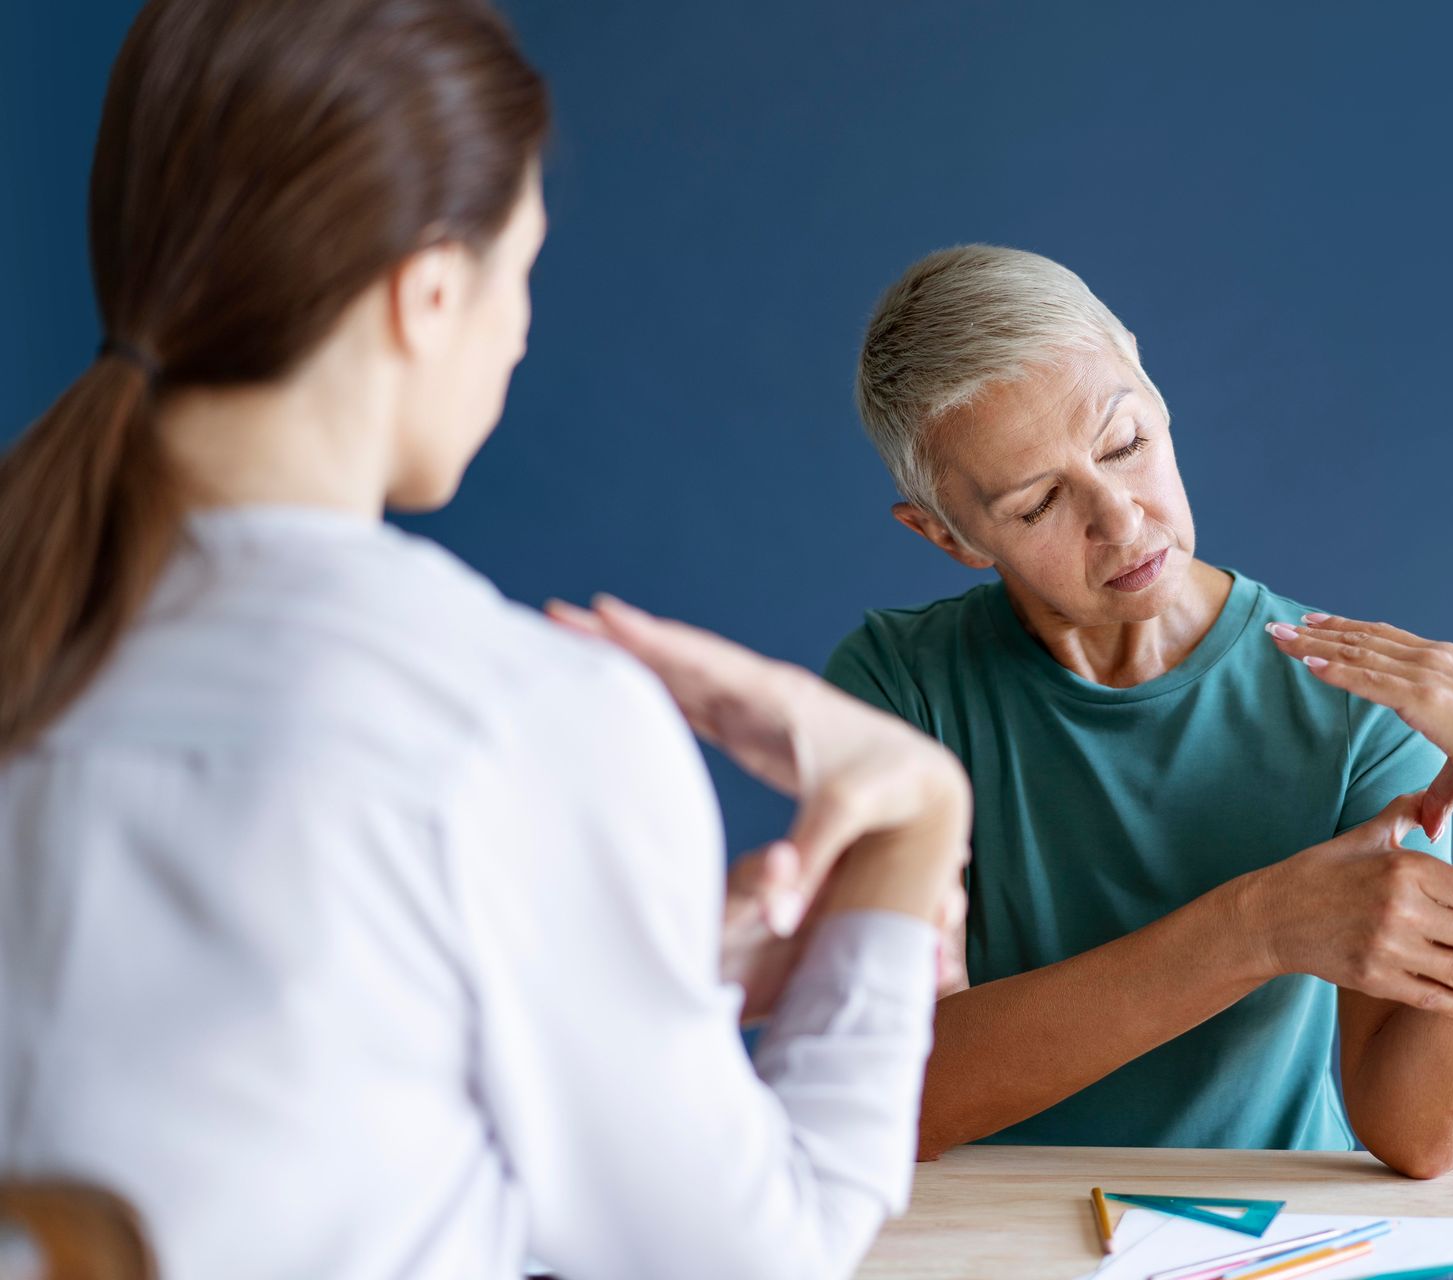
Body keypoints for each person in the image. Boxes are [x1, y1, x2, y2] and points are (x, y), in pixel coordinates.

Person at [0, 3, 967, 1277]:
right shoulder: (508, 719)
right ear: (433, 289)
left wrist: (658, 976)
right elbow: (763, 1255)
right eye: (522, 271)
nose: (518, 328)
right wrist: (916, 813)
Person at [827, 245, 1453, 1177]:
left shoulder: (1351, 696)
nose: (1120, 521)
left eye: (1125, 444)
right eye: (1037, 506)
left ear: (1153, 388)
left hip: (1266, 1249)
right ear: (946, 534)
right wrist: (1257, 928)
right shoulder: (900, 691)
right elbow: (884, 1100)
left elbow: (1419, 1128)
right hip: (1001, 1247)